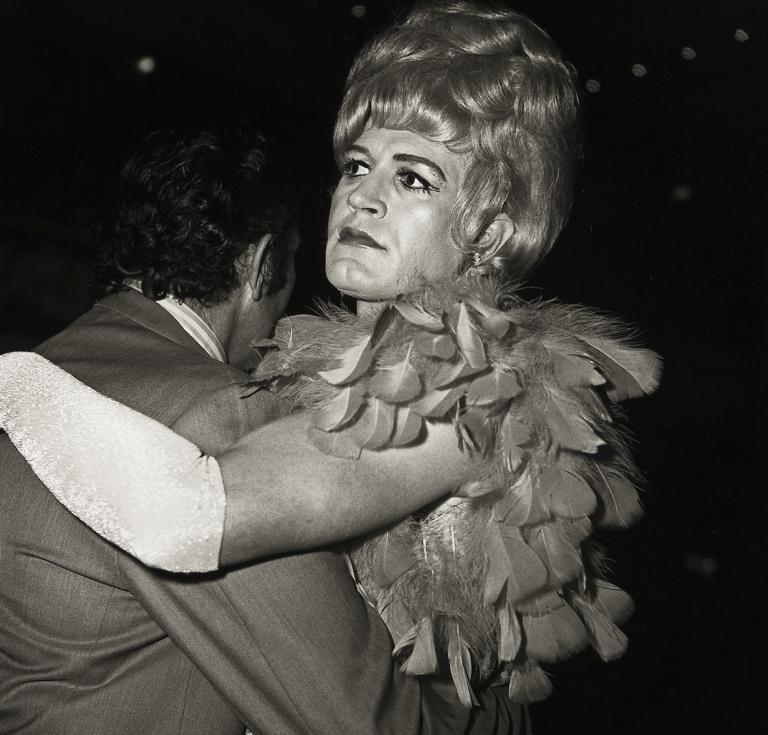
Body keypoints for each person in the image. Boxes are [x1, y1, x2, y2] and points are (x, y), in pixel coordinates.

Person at [0, 1, 660, 729]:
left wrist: (12, 375)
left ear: (490, 231)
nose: (362, 197)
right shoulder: (326, 368)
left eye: (414, 178)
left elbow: (185, 513)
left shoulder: (470, 386)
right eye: (357, 164)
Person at [1, 124, 518, 734]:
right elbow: (368, 721)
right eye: (356, 168)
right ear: (261, 263)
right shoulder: (219, 414)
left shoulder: (58, 358)